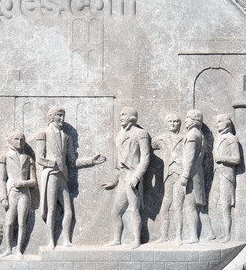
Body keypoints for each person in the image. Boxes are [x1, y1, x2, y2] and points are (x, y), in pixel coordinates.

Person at [35, 107, 105, 248]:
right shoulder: (43, 134)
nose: (62, 119)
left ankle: (66, 240)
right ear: (51, 117)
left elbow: (72, 162)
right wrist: (53, 163)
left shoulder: (66, 137)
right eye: (59, 116)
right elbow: (39, 158)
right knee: (51, 209)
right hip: (51, 175)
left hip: (62, 177)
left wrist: (91, 160)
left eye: (63, 116)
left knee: (68, 210)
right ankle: (51, 241)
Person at [102, 106, 151, 249]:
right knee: (116, 211)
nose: (121, 117)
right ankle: (117, 239)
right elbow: (119, 160)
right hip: (123, 177)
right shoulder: (119, 134)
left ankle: (137, 240)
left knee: (134, 209)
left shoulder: (141, 133)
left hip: (132, 175)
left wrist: (136, 177)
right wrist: (114, 180)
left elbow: (145, 158)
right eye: (120, 114)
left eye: (123, 114)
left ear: (132, 116)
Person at [0, 131, 37, 256]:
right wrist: (3, 198)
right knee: (9, 222)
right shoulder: (4, 157)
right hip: (11, 193)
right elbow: (1, 180)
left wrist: (23, 183)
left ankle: (19, 249)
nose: (19, 142)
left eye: (21, 139)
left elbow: (34, 181)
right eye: (16, 139)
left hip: (24, 194)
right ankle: (8, 248)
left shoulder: (28, 158)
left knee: (21, 223)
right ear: (10, 140)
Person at [151, 113, 184, 242]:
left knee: (178, 205)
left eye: (175, 121)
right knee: (165, 206)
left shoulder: (184, 138)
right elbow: (148, 148)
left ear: (179, 124)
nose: (172, 124)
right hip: (167, 175)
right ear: (166, 123)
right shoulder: (161, 139)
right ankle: (164, 235)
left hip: (180, 174)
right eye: (170, 121)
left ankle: (178, 236)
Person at [179, 109, 206, 244]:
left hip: (192, 175)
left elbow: (189, 157)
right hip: (197, 173)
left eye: (188, 118)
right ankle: (210, 234)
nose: (185, 120)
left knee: (190, 206)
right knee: (197, 206)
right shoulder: (200, 134)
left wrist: (185, 175)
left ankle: (194, 236)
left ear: (194, 120)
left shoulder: (192, 135)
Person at [213, 114, 241, 241]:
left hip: (226, 175)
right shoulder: (218, 138)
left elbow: (236, 159)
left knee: (226, 205)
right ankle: (222, 232)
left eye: (219, 122)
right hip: (217, 174)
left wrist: (222, 159)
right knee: (217, 204)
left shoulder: (232, 138)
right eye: (216, 122)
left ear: (227, 122)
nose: (217, 124)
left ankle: (228, 234)